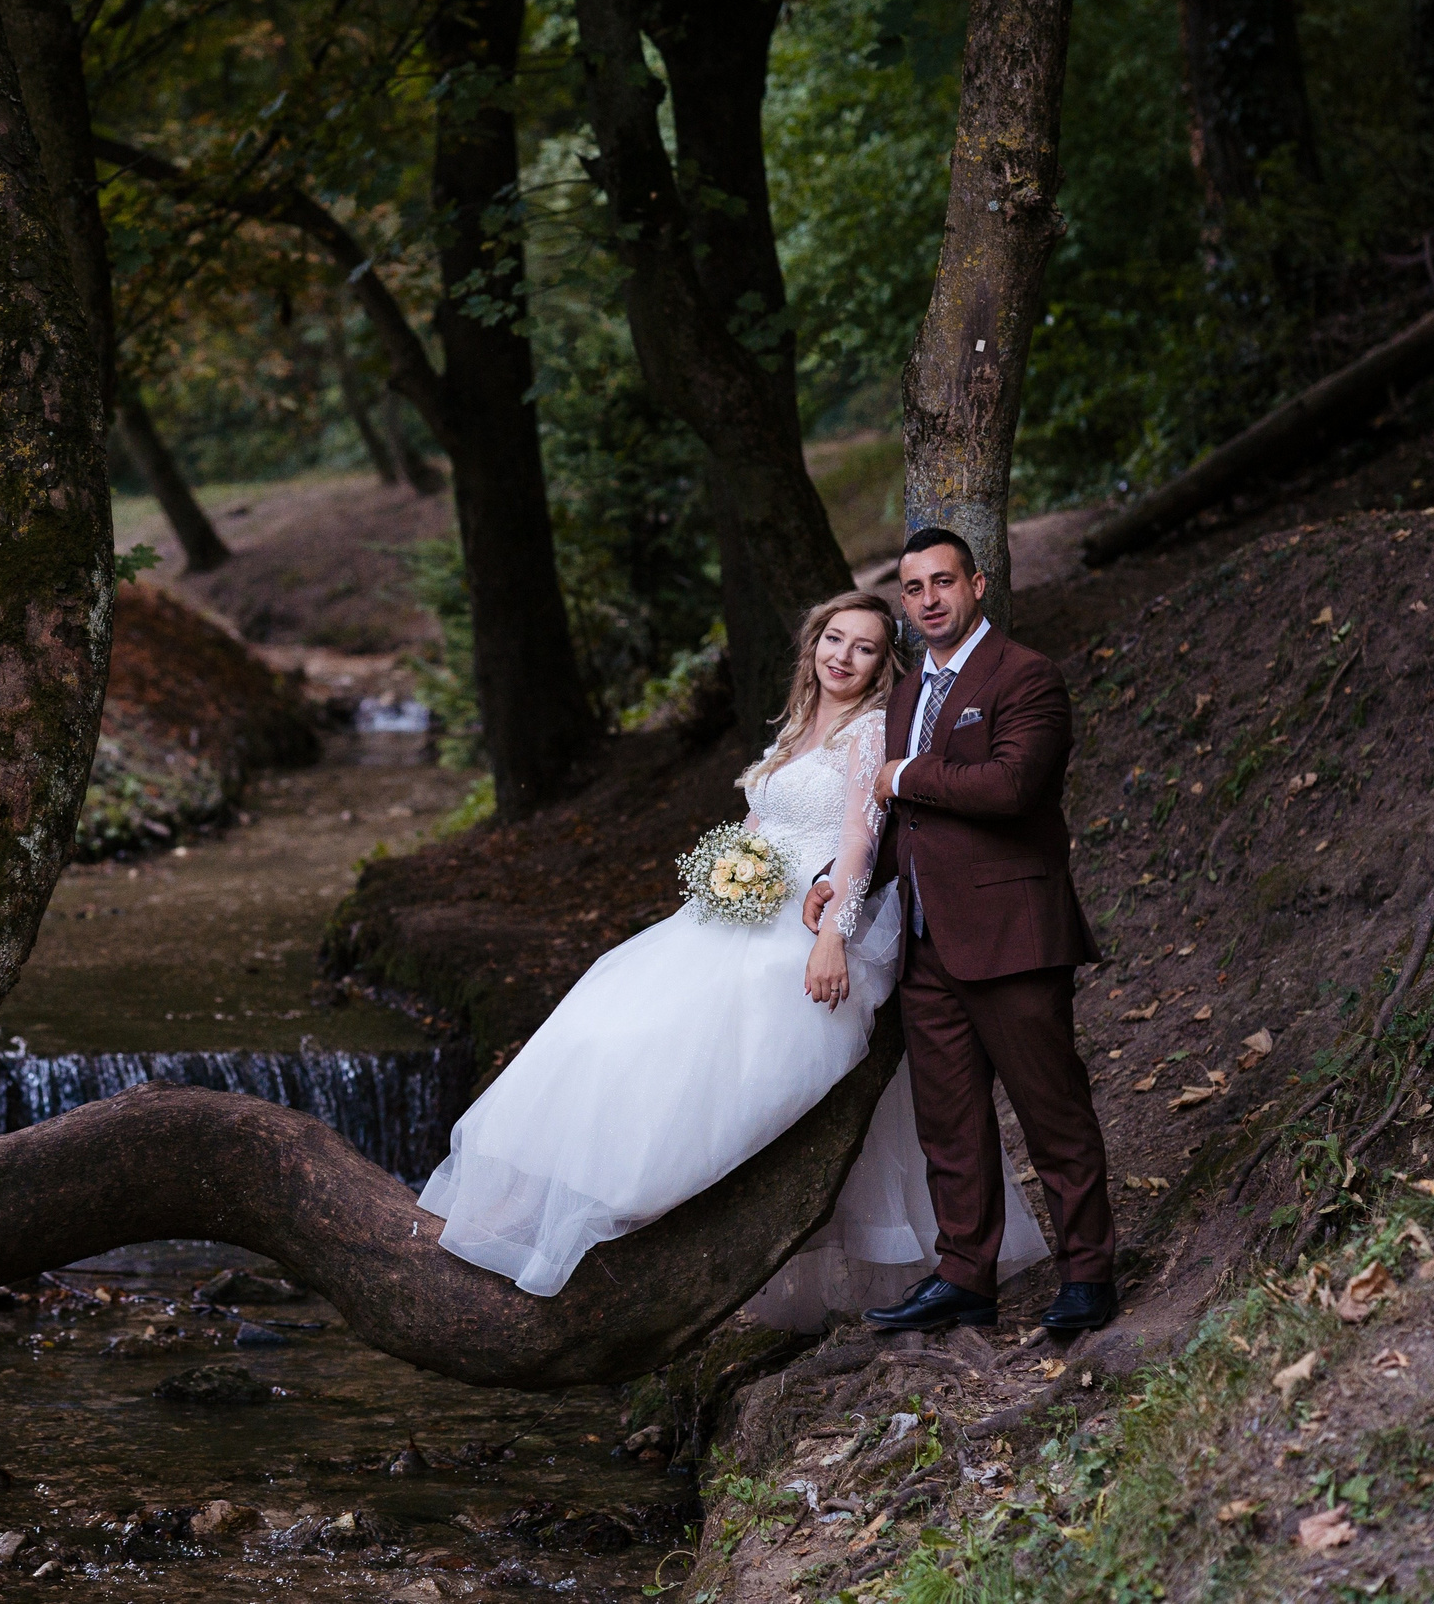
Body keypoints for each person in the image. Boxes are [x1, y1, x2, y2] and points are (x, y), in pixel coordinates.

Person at [417, 591, 1047, 1307]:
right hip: (738, 911)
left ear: (881, 666)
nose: (842, 655)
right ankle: (556, 1201)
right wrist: (724, 878)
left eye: (863, 646)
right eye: (832, 639)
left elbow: (857, 845)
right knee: (606, 1010)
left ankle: (634, 1199)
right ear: (812, 647)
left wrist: (833, 937)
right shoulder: (796, 727)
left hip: (805, 922)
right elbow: (755, 825)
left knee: (701, 1032)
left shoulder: (870, 733)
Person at [805, 527, 1116, 1336]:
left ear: (977, 584)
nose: (929, 598)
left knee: (1053, 1111)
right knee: (950, 1124)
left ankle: (1087, 1273)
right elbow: (892, 822)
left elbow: (1013, 785)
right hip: (925, 939)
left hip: (1012, 933)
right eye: (915, 588)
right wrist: (832, 884)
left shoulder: (1026, 675)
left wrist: (904, 772)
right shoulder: (906, 689)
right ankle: (965, 1274)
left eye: (944, 582)